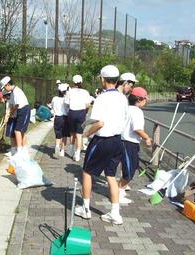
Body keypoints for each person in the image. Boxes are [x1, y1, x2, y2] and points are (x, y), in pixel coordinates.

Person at [74, 65, 128, 225]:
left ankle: (85, 208)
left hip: (102, 140)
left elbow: (99, 123)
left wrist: (86, 134)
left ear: (103, 80)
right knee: (110, 175)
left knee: (87, 172)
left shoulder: (102, 98)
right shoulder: (122, 98)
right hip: (118, 141)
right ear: (117, 80)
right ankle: (115, 213)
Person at [119, 87, 152, 202]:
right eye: (145, 99)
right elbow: (137, 129)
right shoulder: (137, 112)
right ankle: (119, 191)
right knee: (130, 169)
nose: (145, 101)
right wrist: (147, 138)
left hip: (123, 140)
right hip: (129, 143)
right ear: (139, 99)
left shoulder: (126, 109)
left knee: (130, 166)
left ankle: (121, 187)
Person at [0, 76, 30, 155]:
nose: (5, 89)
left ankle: (19, 151)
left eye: (4, 87)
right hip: (21, 110)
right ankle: (24, 150)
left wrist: (10, 113)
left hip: (24, 110)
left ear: (7, 85)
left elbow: (16, 105)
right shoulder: (13, 92)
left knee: (18, 131)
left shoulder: (16, 91)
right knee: (21, 131)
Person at [65, 74, 92, 161]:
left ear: (73, 82)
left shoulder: (69, 92)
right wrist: (85, 112)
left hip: (72, 113)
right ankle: (77, 154)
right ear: (81, 82)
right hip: (81, 113)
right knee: (79, 135)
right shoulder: (85, 92)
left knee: (72, 133)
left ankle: (72, 150)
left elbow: (67, 103)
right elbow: (88, 104)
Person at [0, 90, 17, 156]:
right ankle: (14, 149)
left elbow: (13, 108)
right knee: (12, 135)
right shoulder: (7, 101)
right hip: (12, 117)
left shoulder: (9, 101)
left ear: (2, 97)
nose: (0, 102)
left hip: (13, 118)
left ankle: (13, 151)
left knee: (12, 135)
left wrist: (8, 116)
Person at [51, 83, 70, 157]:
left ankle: (57, 146)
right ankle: (62, 151)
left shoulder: (54, 99)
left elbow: (52, 107)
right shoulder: (66, 100)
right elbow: (68, 109)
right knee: (64, 135)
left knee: (58, 134)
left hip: (57, 118)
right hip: (65, 118)